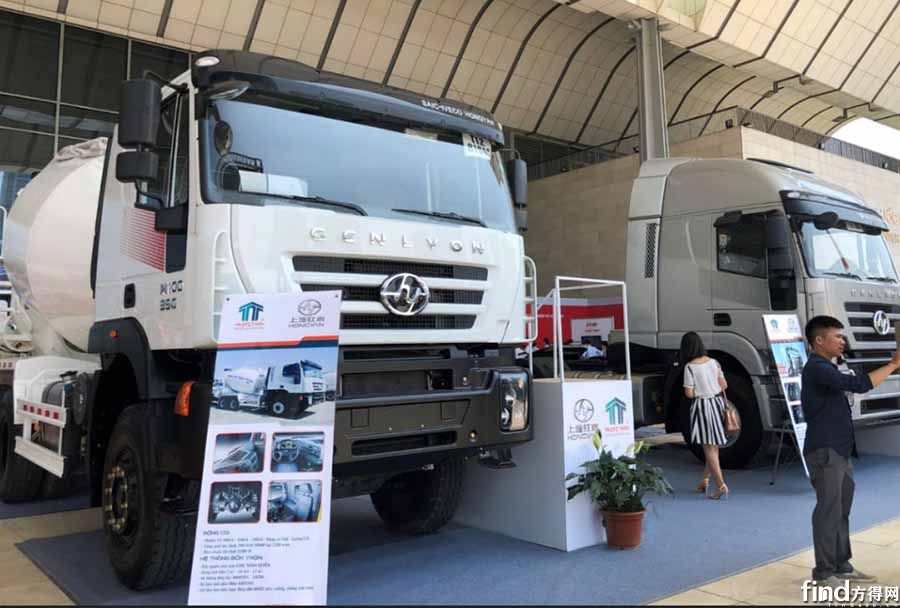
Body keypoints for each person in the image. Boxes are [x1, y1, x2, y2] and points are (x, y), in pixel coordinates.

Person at [801, 316, 900, 586]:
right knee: (828, 510)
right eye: (837, 336)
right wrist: (893, 364)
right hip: (825, 451)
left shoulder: (830, 367)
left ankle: (841, 565)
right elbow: (860, 384)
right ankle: (823, 573)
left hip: (840, 451)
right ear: (819, 340)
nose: (842, 341)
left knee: (841, 510)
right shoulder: (816, 368)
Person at [680, 331, 729, 500]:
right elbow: (724, 384)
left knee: (708, 448)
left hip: (703, 407)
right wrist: (711, 387)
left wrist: (701, 390)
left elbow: (689, 393)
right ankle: (705, 480)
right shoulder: (714, 362)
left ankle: (721, 486)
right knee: (713, 446)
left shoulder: (690, 367)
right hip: (717, 403)